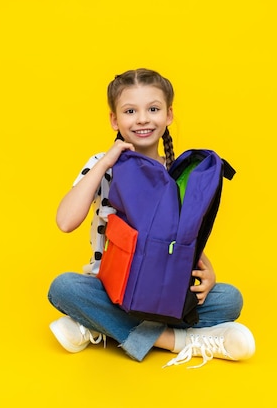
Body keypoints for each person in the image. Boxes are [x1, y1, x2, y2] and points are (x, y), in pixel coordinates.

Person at [47, 68, 255, 368]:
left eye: (153, 109)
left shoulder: (178, 172)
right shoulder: (102, 166)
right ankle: (179, 342)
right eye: (130, 111)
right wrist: (107, 159)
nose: (143, 119)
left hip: (164, 289)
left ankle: (96, 327)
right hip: (110, 288)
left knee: (230, 299)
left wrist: (207, 272)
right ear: (114, 120)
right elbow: (65, 221)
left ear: (169, 115)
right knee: (63, 288)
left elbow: (180, 238)